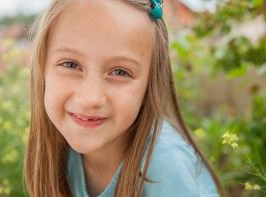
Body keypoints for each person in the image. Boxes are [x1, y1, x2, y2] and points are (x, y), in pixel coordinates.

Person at [23, 0, 223, 196]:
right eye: (70, 64)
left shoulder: (166, 166)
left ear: (149, 84)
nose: (90, 98)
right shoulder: (58, 149)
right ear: (42, 69)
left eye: (119, 72)